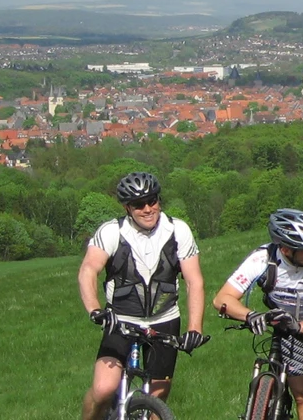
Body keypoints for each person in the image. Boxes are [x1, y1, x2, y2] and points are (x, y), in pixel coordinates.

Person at [78, 172, 208, 420]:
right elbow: (88, 270)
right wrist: (95, 310)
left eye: (153, 201)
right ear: (127, 207)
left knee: (157, 401)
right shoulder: (111, 232)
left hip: (165, 319)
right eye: (139, 205)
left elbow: (194, 281)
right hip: (121, 320)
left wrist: (194, 328)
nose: (148, 209)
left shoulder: (178, 230)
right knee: (104, 389)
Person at [213, 209, 303, 420]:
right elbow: (222, 299)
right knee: (302, 396)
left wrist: (301, 327)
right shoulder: (262, 259)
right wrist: (251, 315)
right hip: (287, 331)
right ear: (286, 250)